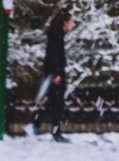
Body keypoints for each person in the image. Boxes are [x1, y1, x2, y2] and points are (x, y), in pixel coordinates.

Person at [34, 9, 75, 142]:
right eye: (71, 22)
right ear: (65, 22)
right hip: (56, 74)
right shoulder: (57, 36)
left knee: (53, 104)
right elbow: (54, 56)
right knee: (56, 104)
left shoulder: (56, 35)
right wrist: (56, 73)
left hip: (54, 73)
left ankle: (37, 125)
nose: (73, 24)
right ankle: (52, 131)